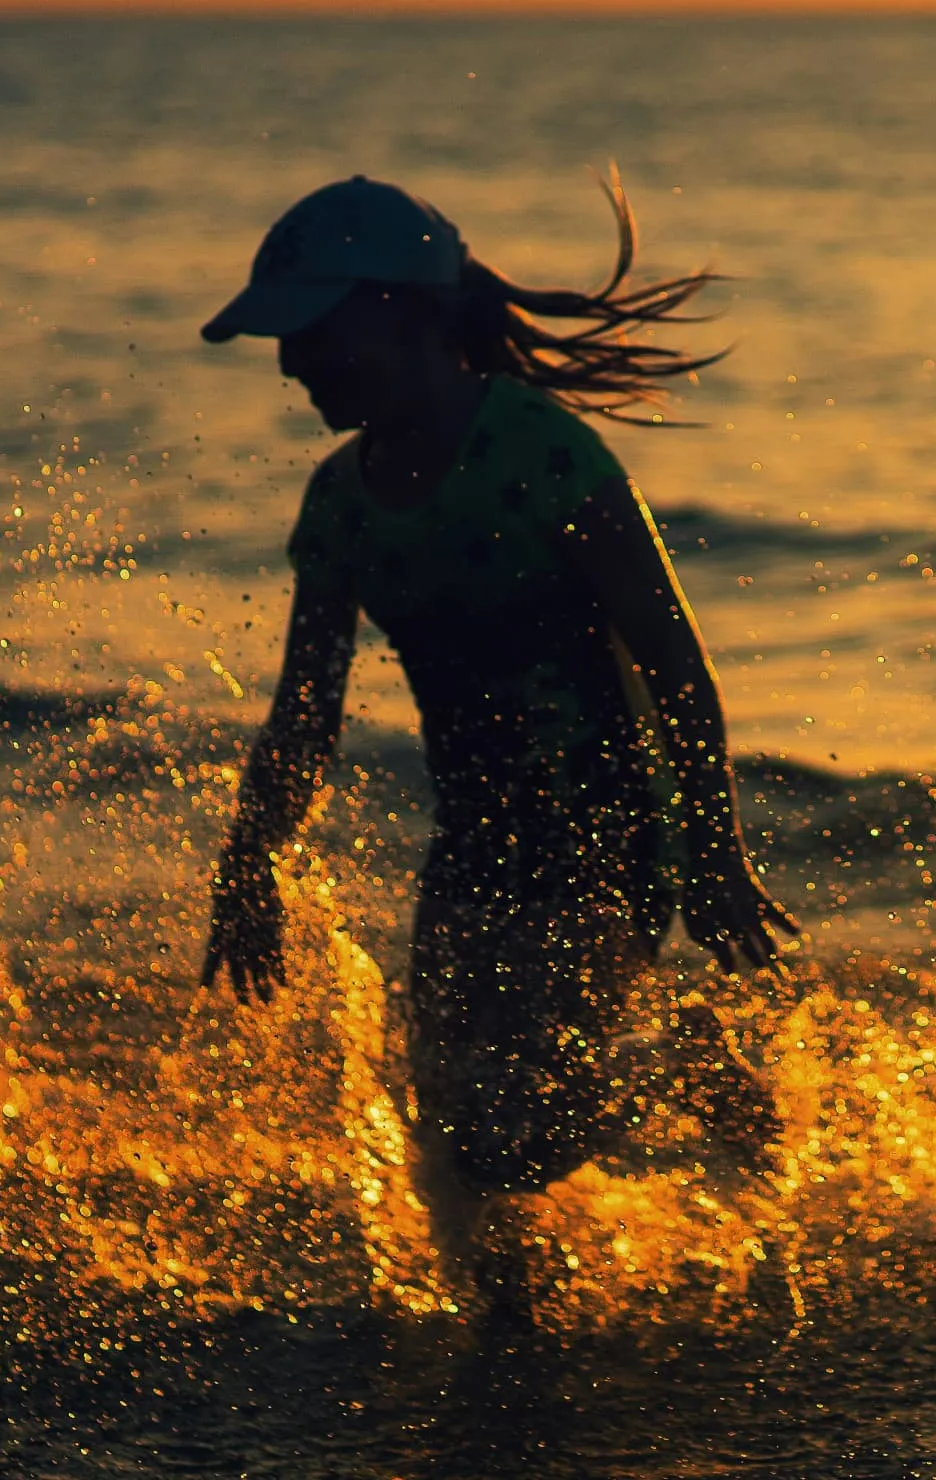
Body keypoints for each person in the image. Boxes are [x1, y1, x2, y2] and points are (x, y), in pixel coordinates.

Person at [195, 176, 799, 1316]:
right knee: (451, 1133)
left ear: (405, 315)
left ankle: (692, 1063)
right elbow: (304, 716)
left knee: (518, 1127)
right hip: (475, 842)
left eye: (311, 335)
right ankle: (512, 1328)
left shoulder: (543, 456)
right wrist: (246, 866)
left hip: (609, 824)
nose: (288, 366)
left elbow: (674, 663)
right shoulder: (340, 505)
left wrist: (713, 853)